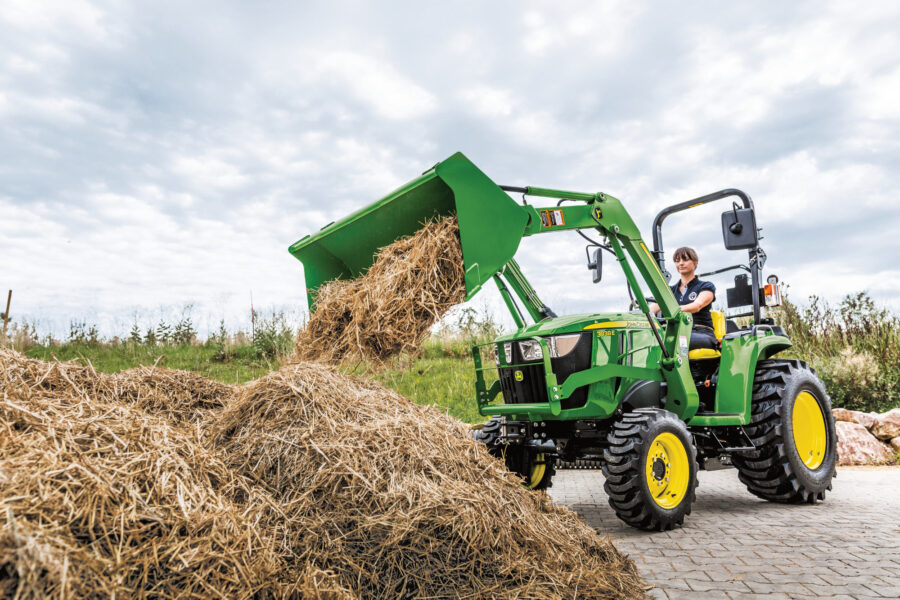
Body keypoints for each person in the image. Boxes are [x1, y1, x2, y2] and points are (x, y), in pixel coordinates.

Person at [648, 247, 717, 350]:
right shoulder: (670, 291)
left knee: (674, 340)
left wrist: (672, 310)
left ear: (695, 262)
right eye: (677, 261)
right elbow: (651, 309)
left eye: (685, 260)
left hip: (700, 332)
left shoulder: (706, 286)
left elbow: (697, 306)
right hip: (676, 333)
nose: (681, 263)